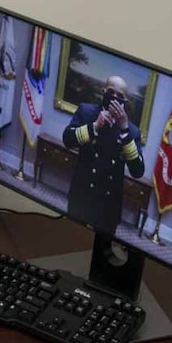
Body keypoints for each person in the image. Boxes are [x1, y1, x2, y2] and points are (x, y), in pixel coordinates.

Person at [62, 75, 145, 234]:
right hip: (82, 195)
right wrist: (94, 126)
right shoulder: (86, 112)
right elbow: (67, 139)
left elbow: (137, 171)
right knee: (71, 239)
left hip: (109, 205)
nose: (114, 98)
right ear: (103, 92)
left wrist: (124, 130)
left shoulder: (132, 131)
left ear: (125, 103)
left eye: (120, 96)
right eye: (111, 92)